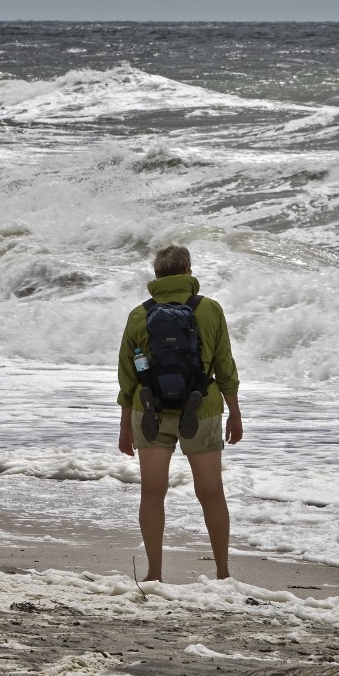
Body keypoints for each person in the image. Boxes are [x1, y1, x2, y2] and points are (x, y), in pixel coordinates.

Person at [117, 244, 242, 581]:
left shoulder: (139, 314)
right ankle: (223, 574)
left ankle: (154, 573)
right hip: (201, 409)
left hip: (149, 411)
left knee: (153, 491)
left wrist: (124, 424)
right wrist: (234, 411)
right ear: (189, 270)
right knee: (211, 492)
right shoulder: (209, 309)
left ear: (156, 276)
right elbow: (224, 364)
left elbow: (128, 374)